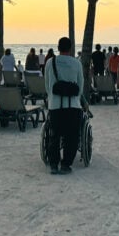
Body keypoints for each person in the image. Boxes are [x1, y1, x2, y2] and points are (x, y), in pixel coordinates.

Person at [44, 36, 85, 175]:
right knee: (72, 136)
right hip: (73, 105)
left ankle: (54, 164)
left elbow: (47, 83)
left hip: (55, 105)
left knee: (54, 135)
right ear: (70, 48)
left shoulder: (50, 62)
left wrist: (51, 97)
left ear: (58, 47)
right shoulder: (76, 63)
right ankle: (66, 164)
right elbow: (80, 85)